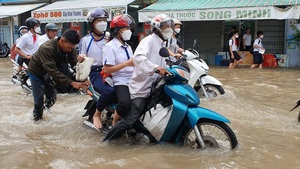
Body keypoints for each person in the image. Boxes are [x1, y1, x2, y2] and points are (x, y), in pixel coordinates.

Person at [103, 14, 173, 142]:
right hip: (141, 87)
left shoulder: (162, 43)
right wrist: (155, 68)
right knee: (130, 119)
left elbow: (164, 61)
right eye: (165, 26)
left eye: (169, 26)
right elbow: (139, 58)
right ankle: (106, 140)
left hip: (154, 86)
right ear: (157, 28)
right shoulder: (148, 41)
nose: (169, 29)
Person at [28, 29, 89, 121]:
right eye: (68, 47)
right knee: (39, 98)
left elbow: (74, 64)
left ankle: (45, 111)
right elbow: (52, 70)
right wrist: (72, 83)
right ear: (62, 41)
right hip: (37, 73)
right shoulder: (46, 48)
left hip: (52, 74)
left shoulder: (70, 49)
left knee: (51, 99)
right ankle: (37, 119)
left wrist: (83, 79)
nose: (70, 50)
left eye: (72, 48)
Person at [78, 7, 115, 129]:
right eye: (99, 20)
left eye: (104, 20)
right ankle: (97, 114)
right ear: (92, 23)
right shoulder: (85, 40)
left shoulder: (110, 37)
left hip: (113, 69)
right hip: (96, 72)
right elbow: (81, 60)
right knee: (110, 90)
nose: (102, 23)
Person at [102, 14, 135, 126]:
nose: (128, 31)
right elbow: (106, 70)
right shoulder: (110, 47)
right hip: (120, 80)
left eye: (129, 28)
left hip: (133, 78)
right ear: (117, 30)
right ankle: (114, 123)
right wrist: (126, 64)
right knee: (125, 103)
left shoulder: (128, 46)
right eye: (125, 28)